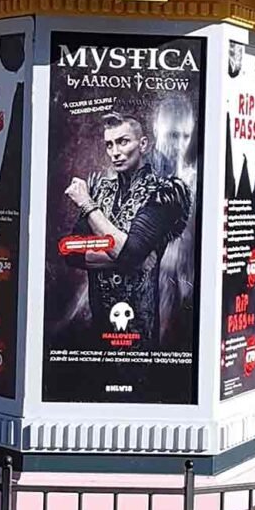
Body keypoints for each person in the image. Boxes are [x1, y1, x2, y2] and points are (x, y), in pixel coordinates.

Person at [63, 112, 191, 344]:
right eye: (109, 144)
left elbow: (130, 251)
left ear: (142, 144)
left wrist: (86, 204)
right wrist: (132, 258)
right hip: (98, 325)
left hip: (138, 333)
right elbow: (70, 251)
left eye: (123, 141)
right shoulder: (101, 189)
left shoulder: (163, 192)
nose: (115, 152)